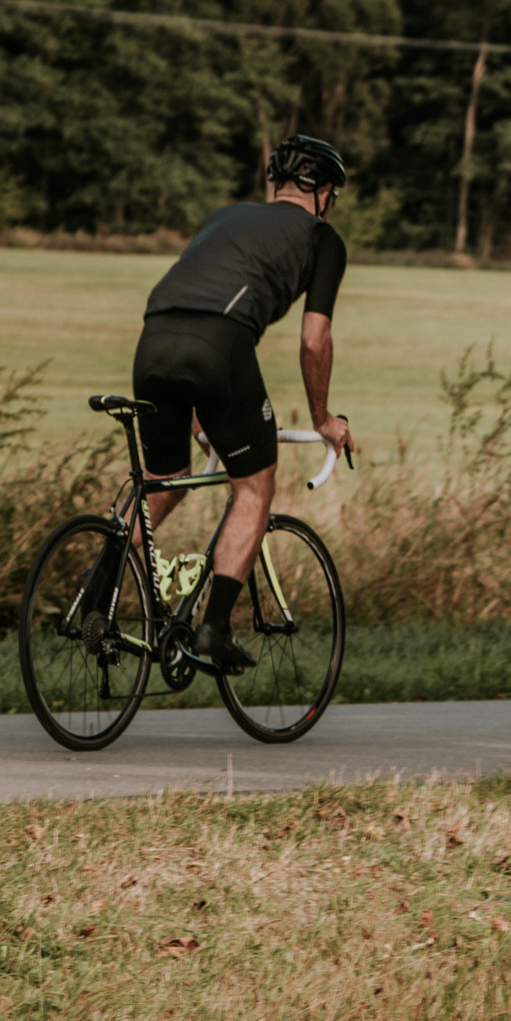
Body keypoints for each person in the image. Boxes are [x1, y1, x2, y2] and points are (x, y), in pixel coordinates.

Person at [129, 135, 355, 672]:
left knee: (163, 480)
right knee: (254, 486)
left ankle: (97, 588)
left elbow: (196, 300)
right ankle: (214, 627)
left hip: (153, 338)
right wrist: (323, 418)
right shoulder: (323, 238)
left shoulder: (223, 217)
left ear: (275, 182)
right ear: (323, 192)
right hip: (218, 346)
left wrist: (203, 416)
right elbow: (313, 339)